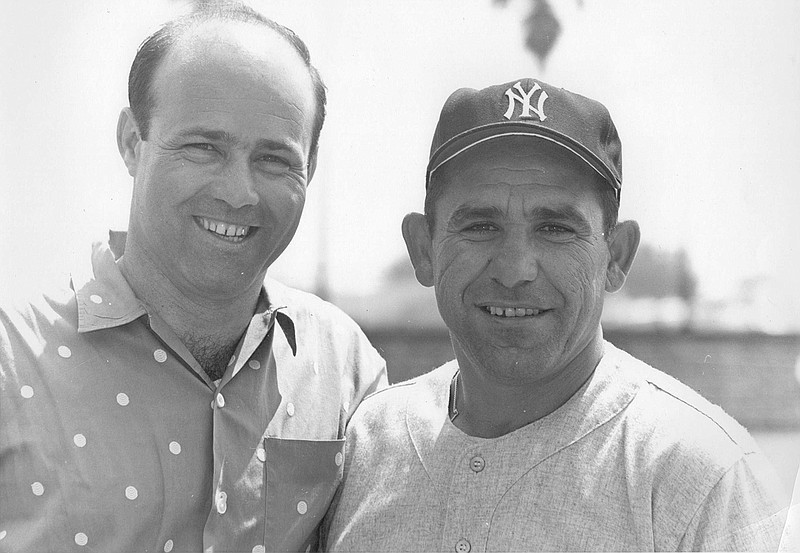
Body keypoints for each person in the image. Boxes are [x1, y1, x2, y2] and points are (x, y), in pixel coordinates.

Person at [322, 78, 786, 551]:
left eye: (555, 228)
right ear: (424, 249)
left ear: (616, 257)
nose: (514, 270)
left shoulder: (698, 473)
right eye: (481, 226)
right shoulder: (366, 445)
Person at [0, 4, 386, 552]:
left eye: (275, 159)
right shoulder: (12, 357)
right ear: (132, 142)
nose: (238, 192)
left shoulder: (346, 367)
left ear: (311, 169)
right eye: (204, 148)